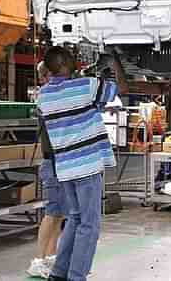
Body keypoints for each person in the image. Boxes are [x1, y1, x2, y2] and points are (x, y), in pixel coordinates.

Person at [37, 47, 128, 281]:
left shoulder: (43, 95)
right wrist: (115, 61)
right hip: (86, 167)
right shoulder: (86, 86)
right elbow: (123, 89)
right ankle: (77, 276)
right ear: (71, 65)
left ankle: (58, 273)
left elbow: (86, 108)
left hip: (65, 168)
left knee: (76, 219)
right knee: (90, 225)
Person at [27, 62, 66, 279]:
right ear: (45, 76)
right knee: (52, 213)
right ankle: (38, 260)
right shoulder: (46, 97)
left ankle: (51, 257)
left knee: (59, 213)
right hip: (52, 163)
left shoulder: (53, 96)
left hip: (60, 162)